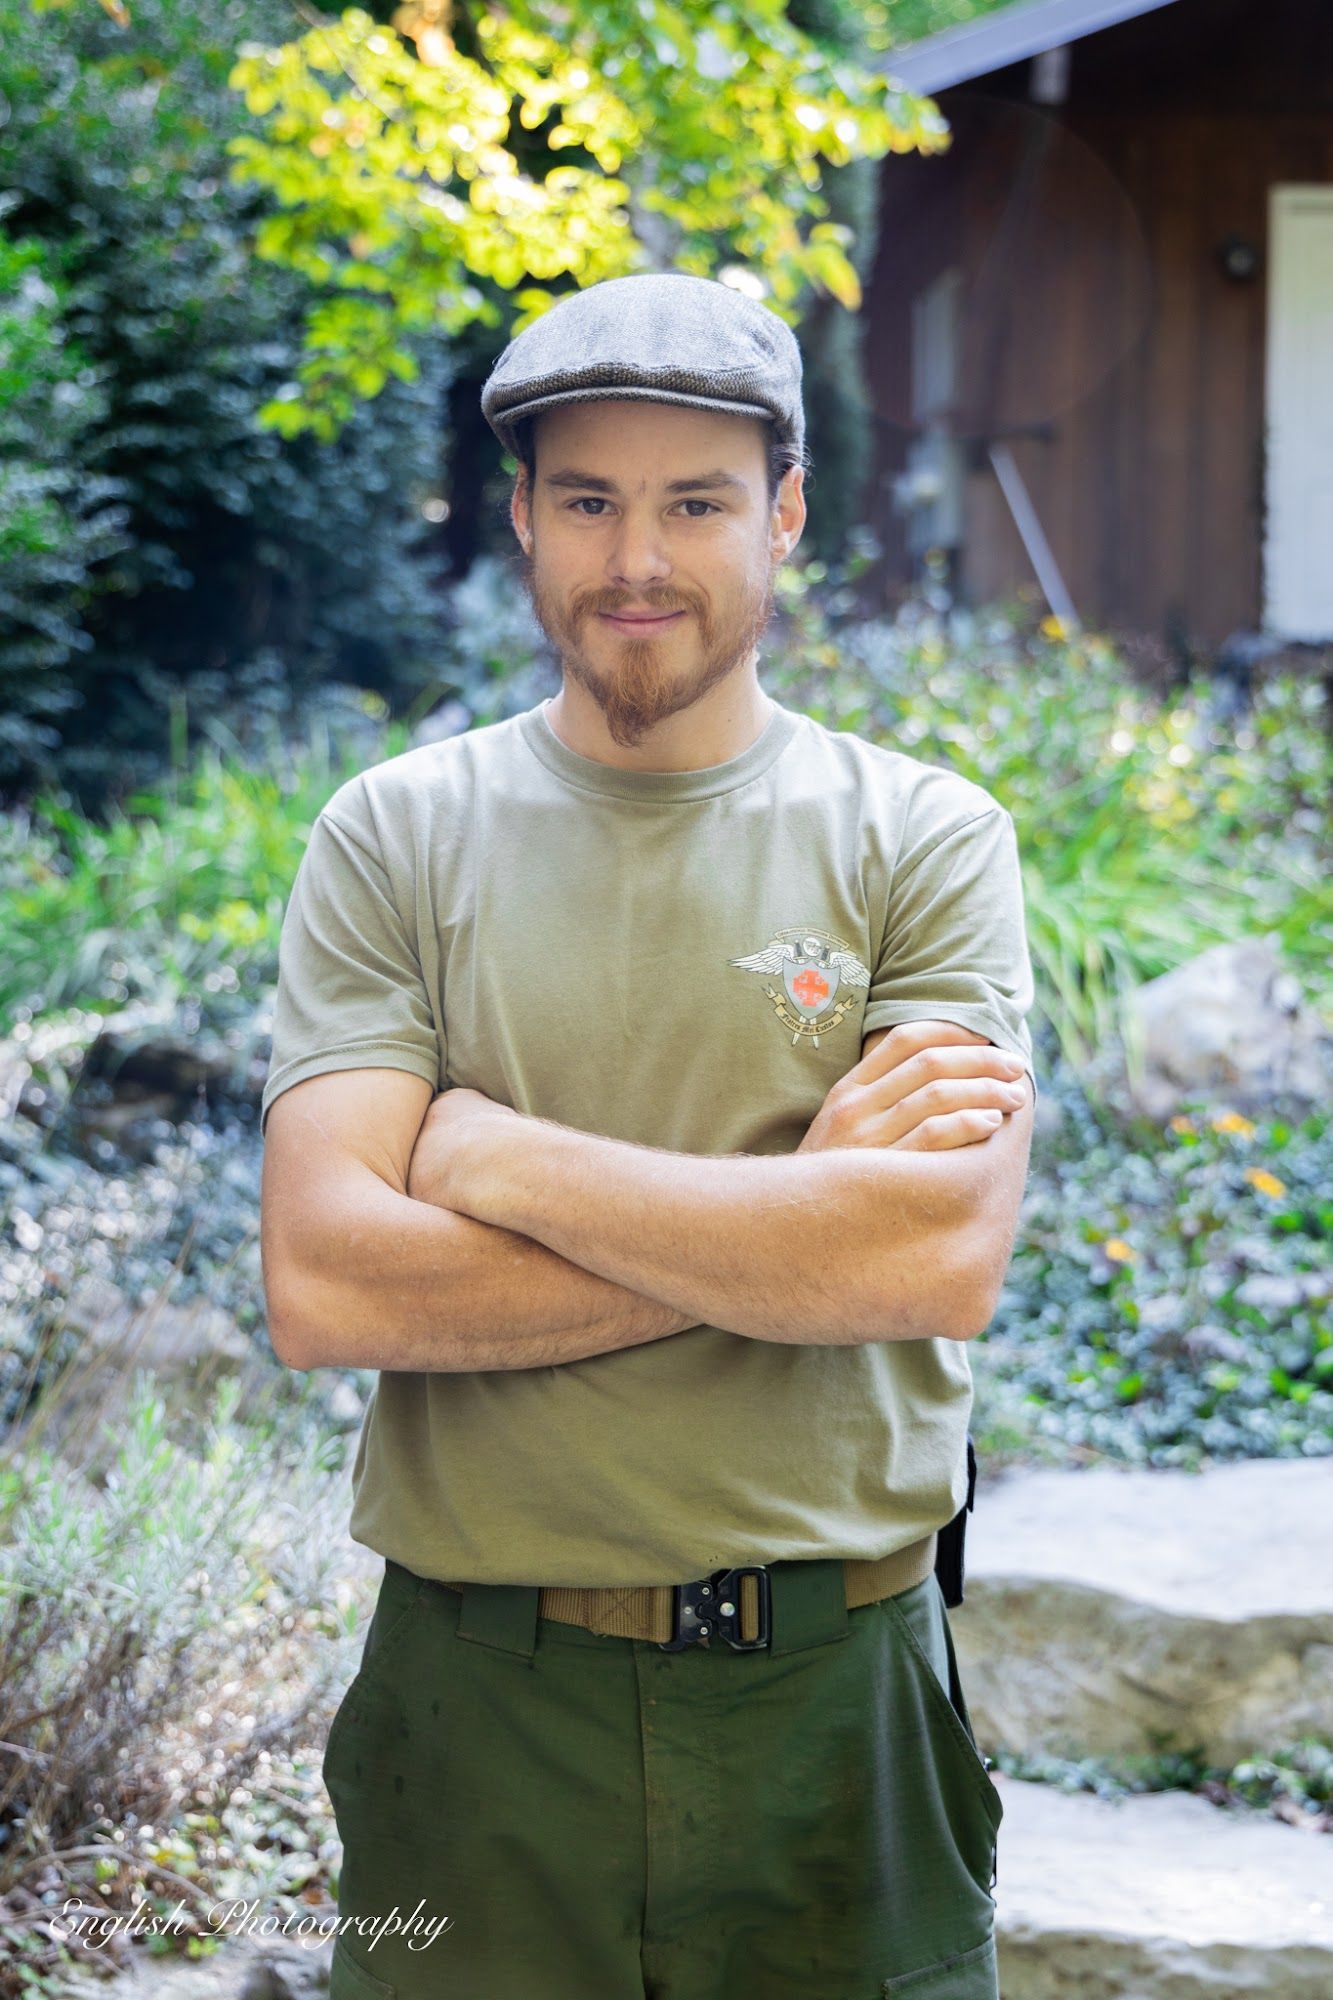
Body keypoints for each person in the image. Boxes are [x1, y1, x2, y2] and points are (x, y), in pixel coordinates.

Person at [259, 270, 1038, 2000]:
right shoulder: (397, 837)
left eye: (694, 503)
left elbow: (928, 1256)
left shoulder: (923, 837)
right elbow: (328, 1284)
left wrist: (494, 1161)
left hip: (835, 1701)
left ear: (782, 515)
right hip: (477, 1706)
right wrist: (789, 1226)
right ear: (523, 519)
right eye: (589, 501)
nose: (638, 560)